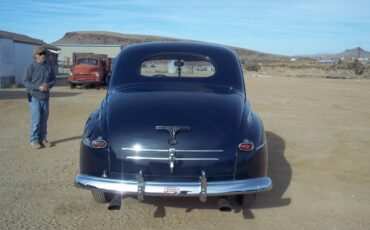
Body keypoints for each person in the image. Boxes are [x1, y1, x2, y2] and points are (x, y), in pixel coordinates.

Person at [23, 46, 56, 149]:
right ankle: (34, 140)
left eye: (44, 54)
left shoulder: (49, 67)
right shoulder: (31, 66)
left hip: (45, 97)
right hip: (34, 97)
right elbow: (25, 81)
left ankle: (43, 139)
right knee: (36, 120)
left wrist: (48, 85)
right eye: (41, 54)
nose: (43, 56)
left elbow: (53, 80)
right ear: (35, 55)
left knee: (44, 119)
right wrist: (38, 87)